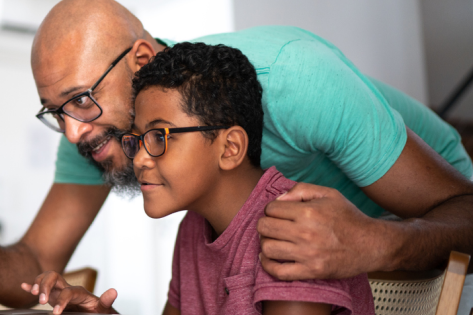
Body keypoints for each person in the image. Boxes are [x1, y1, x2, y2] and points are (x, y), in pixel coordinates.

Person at [0, 0, 473, 308]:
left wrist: (377, 242)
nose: (73, 134)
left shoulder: (296, 81)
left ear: (142, 62)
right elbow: (34, 261)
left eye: (79, 100)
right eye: (56, 112)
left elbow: (464, 210)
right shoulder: (107, 141)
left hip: (422, 229)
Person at [23, 42, 376, 315]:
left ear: (230, 148)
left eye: (160, 136)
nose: (140, 158)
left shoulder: (294, 229)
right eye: (137, 139)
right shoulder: (194, 227)